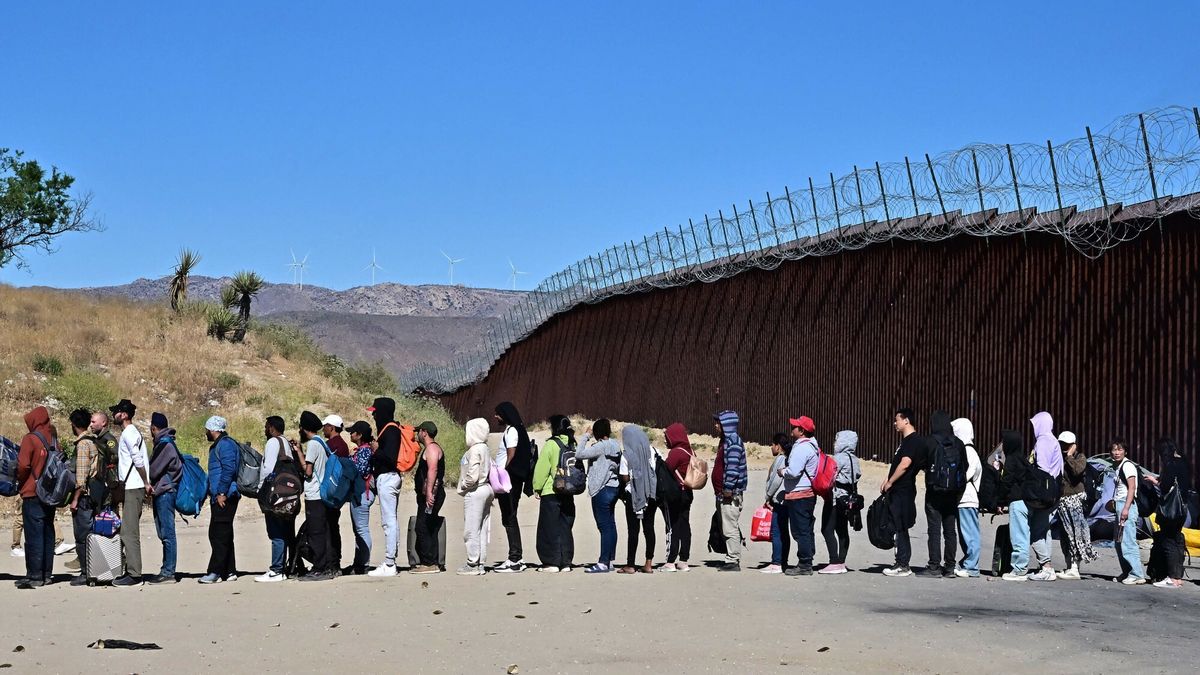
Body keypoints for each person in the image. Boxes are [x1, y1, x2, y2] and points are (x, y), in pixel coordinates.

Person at [14, 406, 56, 589]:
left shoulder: (30, 439)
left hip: (32, 492)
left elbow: (23, 466)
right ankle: (46, 574)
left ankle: (34, 576)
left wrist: (19, 481)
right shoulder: (53, 438)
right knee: (48, 532)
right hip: (50, 494)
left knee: (33, 535)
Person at [921, 410, 965, 578]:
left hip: (934, 491)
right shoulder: (958, 443)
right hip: (953, 493)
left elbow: (923, 463)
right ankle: (950, 567)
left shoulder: (930, 441)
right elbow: (964, 466)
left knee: (934, 530)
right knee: (950, 531)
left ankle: (934, 566)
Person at [881, 407, 923, 577]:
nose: (895, 423)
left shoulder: (913, 441)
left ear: (906, 420)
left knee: (901, 526)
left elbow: (905, 464)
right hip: (897, 490)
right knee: (898, 526)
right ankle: (900, 561)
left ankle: (903, 564)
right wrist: (887, 479)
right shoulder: (904, 442)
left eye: (897, 419)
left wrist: (891, 481)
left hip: (903, 491)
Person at [111, 399, 149, 587]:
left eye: (117, 412)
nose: (114, 415)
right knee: (127, 530)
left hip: (134, 486)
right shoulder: (130, 432)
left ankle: (135, 575)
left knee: (129, 532)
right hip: (133, 485)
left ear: (124, 415)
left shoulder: (129, 433)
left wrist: (145, 481)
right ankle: (131, 571)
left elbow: (138, 459)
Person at [1144, 438, 1191, 588]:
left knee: (1168, 541)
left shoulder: (1170, 464)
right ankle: (1177, 577)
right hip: (1182, 508)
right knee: (1176, 540)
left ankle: (1172, 578)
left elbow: (1165, 486)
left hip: (1171, 510)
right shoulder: (1184, 462)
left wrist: (1153, 480)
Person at [198, 416, 240, 584]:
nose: (206, 433)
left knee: (218, 534)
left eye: (207, 429)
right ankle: (229, 571)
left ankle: (215, 572)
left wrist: (222, 491)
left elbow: (229, 469)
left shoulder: (225, 445)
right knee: (224, 534)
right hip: (221, 495)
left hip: (225, 496)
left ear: (214, 429)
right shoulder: (220, 445)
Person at [492, 402, 533, 573]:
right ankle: (516, 557)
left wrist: (503, 478)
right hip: (512, 480)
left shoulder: (512, 431)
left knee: (509, 517)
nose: (496, 417)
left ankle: (515, 558)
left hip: (509, 481)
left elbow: (511, 455)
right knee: (509, 517)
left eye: (498, 414)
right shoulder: (516, 429)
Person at [576, 419, 621, 573]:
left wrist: (586, 436)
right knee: (611, 525)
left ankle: (603, 562)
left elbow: (579, 453)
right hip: (614, 488)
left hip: (601, 489)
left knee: (604, 526)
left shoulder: (601, 446)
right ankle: (609, 560)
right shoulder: (615, 445)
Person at [533, 415, 575, 572]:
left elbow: (542, 469)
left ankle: (551, 562)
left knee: (548, 528)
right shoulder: (572, 444)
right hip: (568, 490)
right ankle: (565, 562)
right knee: (565, 527)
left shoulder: (551, 444)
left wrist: (537, 488)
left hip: (552, 490)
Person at [1023, 412, 1062, 582]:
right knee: (1044, 530)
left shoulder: (1044, 441)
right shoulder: (1052, 440)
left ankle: (1046, 567)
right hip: (1053, 492)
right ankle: (1046, 566)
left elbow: (1042, 468)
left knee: (1036, 532)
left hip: (1043, 493)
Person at [256, 416, 296, 582]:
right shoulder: (286, 443)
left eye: (266, 426)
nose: (265, 430)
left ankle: (276, 569)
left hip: (275, 493)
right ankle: (286, 567)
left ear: (272, 427)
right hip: (289, 493)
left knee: (276, 531)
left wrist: (260, 489)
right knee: (286, 530)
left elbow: (268, 469)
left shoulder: (273, 442)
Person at [1054, 431, 1097, 580]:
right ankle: (1069, 565)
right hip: (1062, 500)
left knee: (1075, 534)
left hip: (1074, 500)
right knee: (1065, 534)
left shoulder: (1080, 457)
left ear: (1073, 445)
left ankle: (1075, 567)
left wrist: (1070, 456)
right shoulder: (1059, 456)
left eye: (1067, 445)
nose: (1064, 447)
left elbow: (1077, 471)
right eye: (1062, 444)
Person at [780, 416, 819, 576]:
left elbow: (794, 471)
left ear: (802, 431)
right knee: (806, 529)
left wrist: (782, 472)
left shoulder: (802, 448)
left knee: (800, 530)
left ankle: (804, 563)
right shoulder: (811, 446)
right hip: (806, 494)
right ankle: (807, 559)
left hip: (800, 495)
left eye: (795, 427)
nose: (792, 429)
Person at [367, 397, 402, 577]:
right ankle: (390, 560)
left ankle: (389, 564)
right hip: (387, 478)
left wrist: (376, 450)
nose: (373, 415)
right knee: (390, 520)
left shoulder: (391, 431)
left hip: (388, 478)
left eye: (375, 411)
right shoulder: (388, 430)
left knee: (389, 522)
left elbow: (390, 458)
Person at [298, 411, 335, 582]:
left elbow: (308, 470)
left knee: (316, 533)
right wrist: (299, 451)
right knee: (323, 530)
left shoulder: (313, 444)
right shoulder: (321, 442)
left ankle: (319, 568)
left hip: (314, 494)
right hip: (323, 493)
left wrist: (301, 462)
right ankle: (326, 566)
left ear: (304, 428)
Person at [147, 412, 182, 584]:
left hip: (165, 493)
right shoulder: (165, 443)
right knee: (164, 533)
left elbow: (153, 471)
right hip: (164, 492)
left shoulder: (164, 445)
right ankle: (167, 569)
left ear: (154, 428)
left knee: (168, 533)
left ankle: (168, 572)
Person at [619, 424, 659, 574]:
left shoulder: (626, 454)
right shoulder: (653, 451)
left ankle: (630, 565)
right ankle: (648, 563)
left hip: (634, 495)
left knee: (633, 530)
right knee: (649, 529)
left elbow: (625, 477)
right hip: (650, 494)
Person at [457, 418, 495, 575]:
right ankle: (480, 562)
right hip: (486, 489)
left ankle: (472, 563)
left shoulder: (474, 450)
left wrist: (464, 486)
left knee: (471, 529)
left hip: (476, 490)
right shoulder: (484, 448)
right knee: (482, 528)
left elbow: (473, 475)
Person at [67, 409, 100, 586]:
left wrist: (75, 499)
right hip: (94, 495)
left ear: (74, 424)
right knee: (91, 534)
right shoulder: (94, 441)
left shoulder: (82, 445)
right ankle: (93, 571)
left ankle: (86, 573)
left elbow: (81, 477)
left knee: (82, 536)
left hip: (84, 497)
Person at [821, 429, 861, 575]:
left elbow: (829, 476)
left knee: (826, 529)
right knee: (842, 530)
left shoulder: (837, 458)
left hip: (836, 498)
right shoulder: (855, 459)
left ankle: (834, 561)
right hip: (849, 499)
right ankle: (842, 561)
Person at [713, 410, 748, 572]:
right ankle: (730, 556)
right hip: (723, 493)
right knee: (726, 524)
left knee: (730, 526)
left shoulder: (732, 442)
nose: (715, 426)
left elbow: (732, 468)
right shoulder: (726, 441)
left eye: (718, 423)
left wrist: (728, 488)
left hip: (730, 494)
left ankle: (733, 560)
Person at [1109, 439, 1147, 584]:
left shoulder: (1128, 466)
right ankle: (1127, 572)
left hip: (1127, 505)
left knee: (1128, 540)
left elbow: (1132, 488)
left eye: (1119, 449)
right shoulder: (1118, 466)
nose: (1116, 452)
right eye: (1114, 449)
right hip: (1119, 504)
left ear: (1125, 451)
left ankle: (1137, 574)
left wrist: (1126, 508)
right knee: (1119, 541)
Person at [410, 421, 445, 574]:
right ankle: (434, 562)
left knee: (422, 526)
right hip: (431, 494)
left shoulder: (431, 449)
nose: (417, 434)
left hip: (431, 495)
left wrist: (429, 493)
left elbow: (433, 470)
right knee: (429, 526)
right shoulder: (432, 448)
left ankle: (428, 563)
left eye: (419, 431)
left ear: (424, 432)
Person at [998, 429, 1032, 581]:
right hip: (1027, 501)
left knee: (1018, 537)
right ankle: (1022, 566)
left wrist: (999, 501)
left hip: (1017, 502)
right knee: (1025, 535)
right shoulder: (1023, 459)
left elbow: (1006, 483)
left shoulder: (1011, 460)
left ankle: (1019, 569)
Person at [662, 422, 695, 572]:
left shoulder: (676, 453)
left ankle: (670, 561)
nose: (666, 440)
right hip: (688, 493)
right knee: (685, 525)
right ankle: (684, 560)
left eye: (667, 437)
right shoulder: (691, 451)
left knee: (674, 525)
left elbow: (666, 470)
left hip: (677, 494)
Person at [952, 418, 982, 578]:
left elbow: (966, 475)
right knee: (965, 534)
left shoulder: (969, 451)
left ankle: (972, 566)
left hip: (967, 498)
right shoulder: (966, 449)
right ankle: (967, 562)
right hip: (963, 499)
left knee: (970, 533)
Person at [346, 420, 375, 575]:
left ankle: (364, 564)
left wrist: (349, 459)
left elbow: (360, 471)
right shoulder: (364, 450)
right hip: (362, 494)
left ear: (359, 435)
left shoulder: (364, 451)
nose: (350, 434)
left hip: (363, 494)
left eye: (353, 432)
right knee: (358, 530)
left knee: (362, 529)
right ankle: (359, 563)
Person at [761, 433, 792, 574]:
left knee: (777, 531)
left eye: (772, 444)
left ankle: (776, 562)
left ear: (778, 446)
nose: (771, 447)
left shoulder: (780, 459)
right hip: (787, 500)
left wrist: (768, 496)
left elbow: (775, 481)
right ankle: (783, 561)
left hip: (779, 501)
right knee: (784, 531)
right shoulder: (788, 458)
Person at [321, 414, 348, 572]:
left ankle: (331, 563)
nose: (323, 428)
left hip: (330, 491)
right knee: (333, 526)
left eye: (325, 426)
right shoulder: (342, 444)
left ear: (331, 427)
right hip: (338, 491)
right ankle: (335, 561)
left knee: (329, 527)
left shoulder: (331, 445)